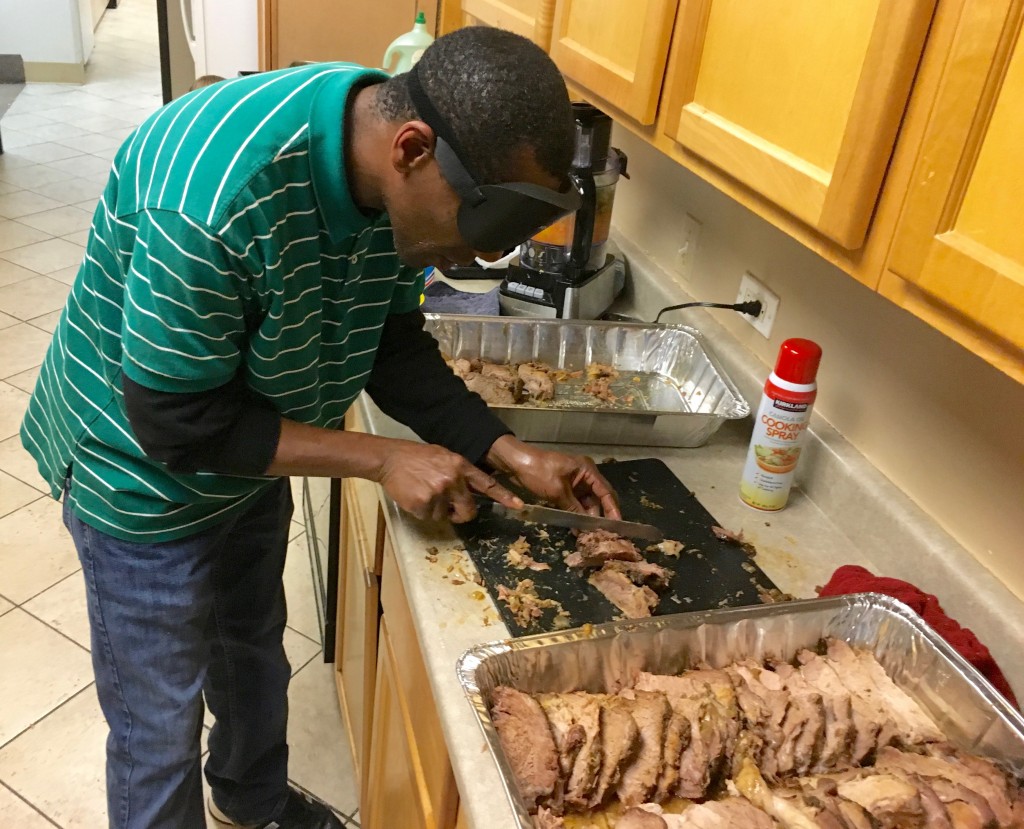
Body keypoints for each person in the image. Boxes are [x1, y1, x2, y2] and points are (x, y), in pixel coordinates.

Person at [20, 26, 619, 829]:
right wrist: (380, 459)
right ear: (412, 149)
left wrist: (505, 449)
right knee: (157, 728)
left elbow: (393, 343)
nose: (463, 260)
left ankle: (251, 803)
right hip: (138, 478)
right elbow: (176, 423)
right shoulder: (211, 202)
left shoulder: (388, 161)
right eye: (469, 231)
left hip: (251, 451)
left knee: (253, 656)